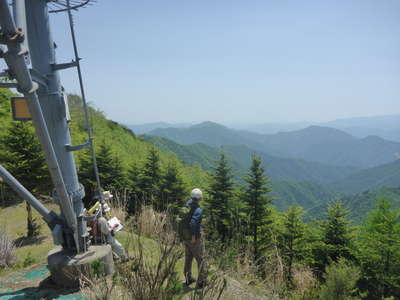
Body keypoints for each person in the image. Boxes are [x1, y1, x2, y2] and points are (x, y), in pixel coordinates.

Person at [183, 188, 208, 288]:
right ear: (200, 198)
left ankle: (188, 278)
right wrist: (194, 236)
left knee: (188, 258)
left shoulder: (186, 205)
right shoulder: (198, 210)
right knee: (200, 259)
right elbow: (193, 223)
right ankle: (201, 282)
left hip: (185, 236)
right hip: (194, 238)